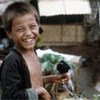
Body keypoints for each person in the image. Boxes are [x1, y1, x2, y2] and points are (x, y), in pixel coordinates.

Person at [0, 1, 68, 100]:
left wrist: (50, 79)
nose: (28, 33)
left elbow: (29, 82)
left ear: (38, 26)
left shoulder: (32, 52)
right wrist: (41, 91)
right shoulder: (12, 61)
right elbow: (10, 96)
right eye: (20, 29)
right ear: (9, 33)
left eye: (32, 27)